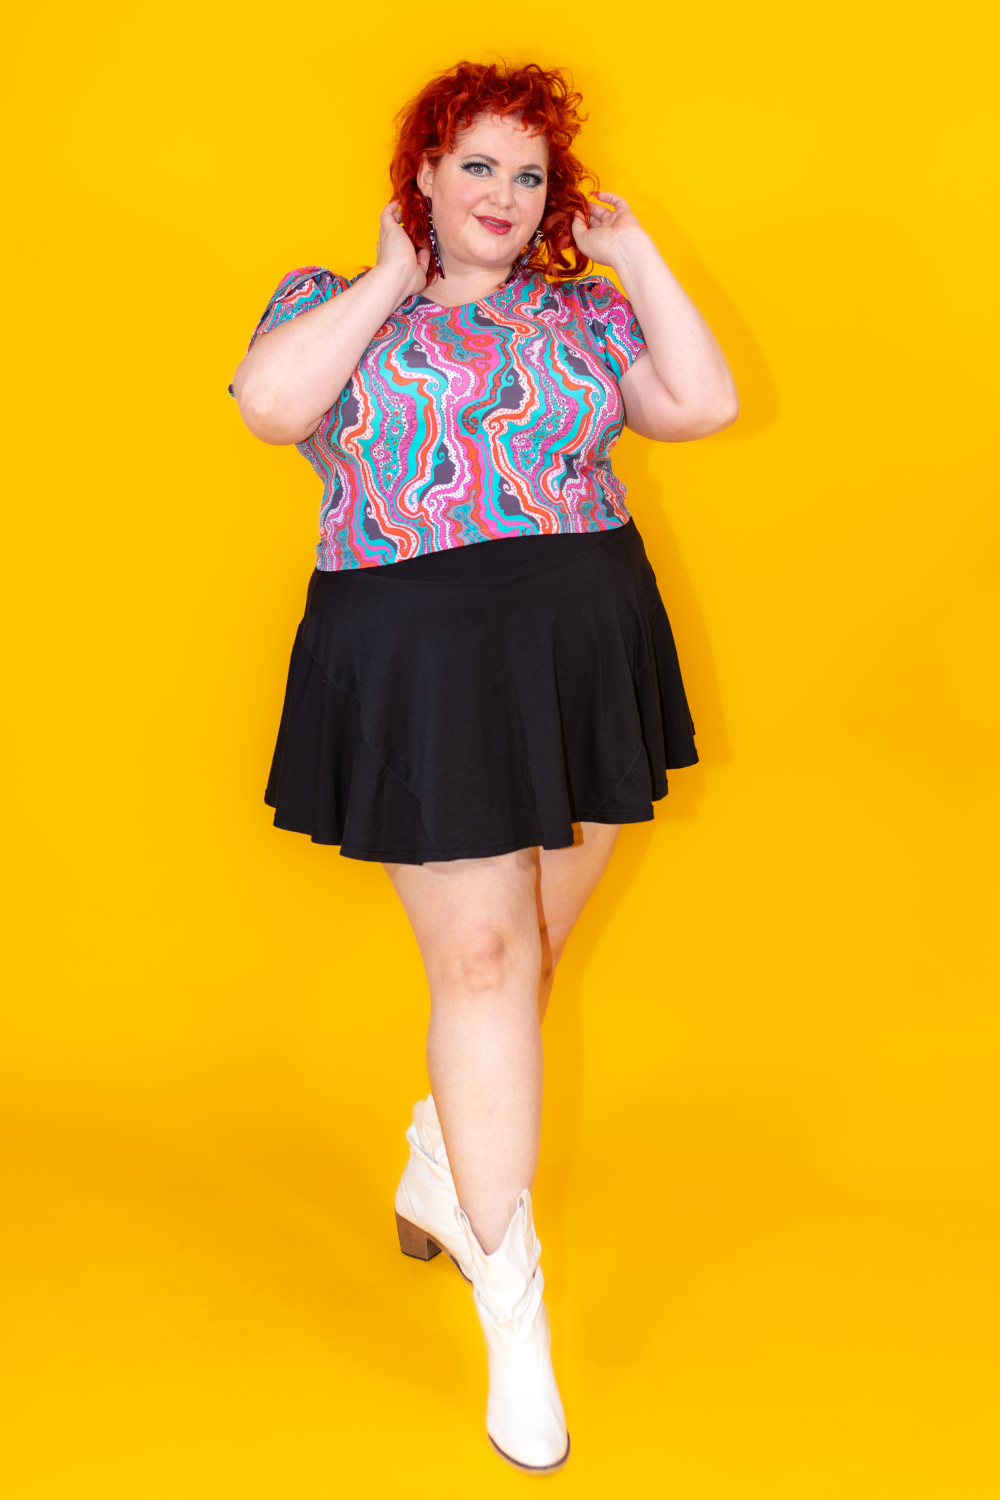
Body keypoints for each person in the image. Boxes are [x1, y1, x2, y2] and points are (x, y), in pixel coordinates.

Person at [231, 59, 737, 1474]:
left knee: (533, 953)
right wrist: (389, 280)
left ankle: (444, 1164)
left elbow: (699, 404)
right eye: (478, 166)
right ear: (425, 176)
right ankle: (514, 1308)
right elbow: (273, 410)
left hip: (580, 640)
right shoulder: (327, 300)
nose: (505, 195)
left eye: (530, 174)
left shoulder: (584, 307)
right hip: (416, 650)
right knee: (483, 969)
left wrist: (632, 248)